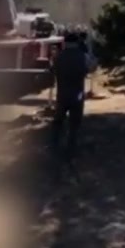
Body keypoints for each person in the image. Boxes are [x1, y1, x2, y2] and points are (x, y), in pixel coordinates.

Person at [49, 31, 91, 170]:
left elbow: (53, 71)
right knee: (74, 124)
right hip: (77, 94)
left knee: (58, 122)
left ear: (65, 43)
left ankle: (53, 146)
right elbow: (89, 69)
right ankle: (71, 150)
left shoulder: (59, 57)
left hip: (62, 95)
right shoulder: (82, 56)